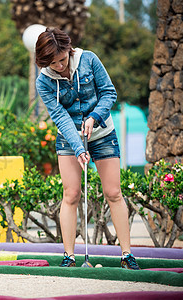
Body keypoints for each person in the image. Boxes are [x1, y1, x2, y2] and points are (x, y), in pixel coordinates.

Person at [35, 27, 140, 270]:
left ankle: (127, 255)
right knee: (70, 195)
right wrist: (78, 147)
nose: (59, 66)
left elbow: (108, 93)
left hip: (103, 133)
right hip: (69, 137)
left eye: (62, 60)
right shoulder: (44, 81)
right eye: (53, 63)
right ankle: (69, 257)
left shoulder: (89, 59)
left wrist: (94, 117)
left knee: (113, 192)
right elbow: (59, 116)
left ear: (68, 50)